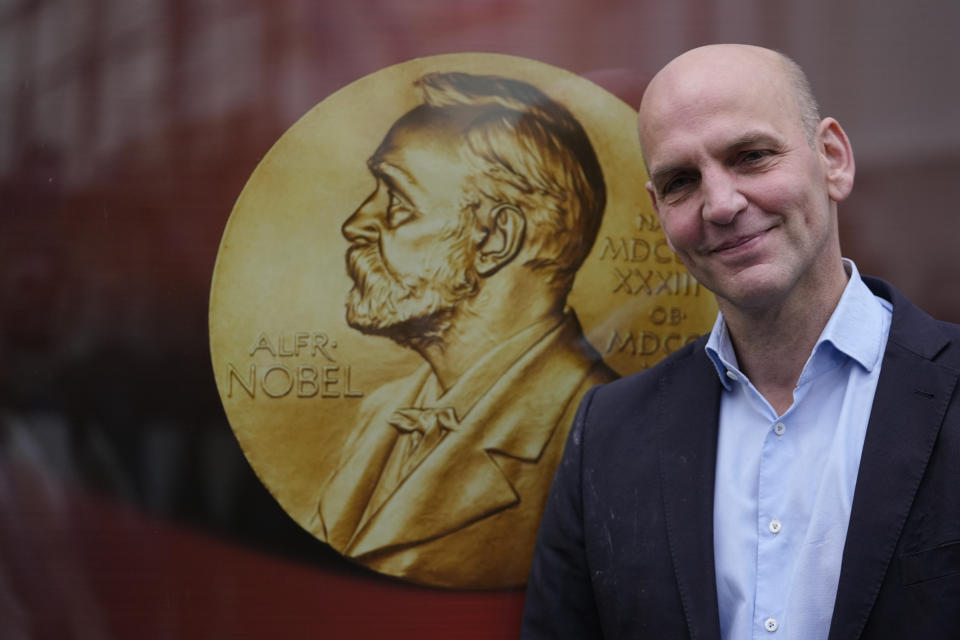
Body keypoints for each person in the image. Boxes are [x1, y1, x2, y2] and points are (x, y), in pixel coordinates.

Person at [523, 44, 960, 638]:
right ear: (658, 212)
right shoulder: (606, 437)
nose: (721, 204)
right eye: (681, 181)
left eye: (751, 156)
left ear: (832, 158)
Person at [309, 72, 617, 588]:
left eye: (397, 202)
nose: (357, 223)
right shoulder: (383, 413)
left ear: (496, 238)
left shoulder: (601, 436)